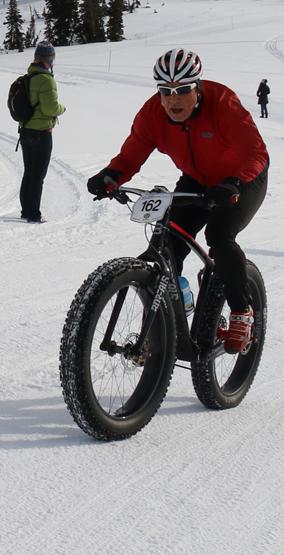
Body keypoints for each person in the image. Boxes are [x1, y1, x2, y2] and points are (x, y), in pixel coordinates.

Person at [87, 49, 268, 352]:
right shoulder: (153, 114)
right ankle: (162, 321)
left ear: (198, 87)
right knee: (167, 242)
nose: (174, 100)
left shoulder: (223, 104)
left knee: (219, 236)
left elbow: (256, 153)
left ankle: (241, 312)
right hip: (197, 179)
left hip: (241, 178)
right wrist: (111, 176)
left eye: (183, 90)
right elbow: (132, 153)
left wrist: (234, 182)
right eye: (166, 92)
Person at [18, 40, 65, 223]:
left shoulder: (27, 78)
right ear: (50, 59)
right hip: (41, 132)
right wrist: (62, 109)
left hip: (25, 131)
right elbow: (50, 108)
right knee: (38, 176)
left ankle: (25, 210)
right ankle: (33, 214)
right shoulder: (46, 80)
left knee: (29, 172)